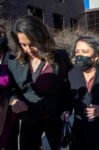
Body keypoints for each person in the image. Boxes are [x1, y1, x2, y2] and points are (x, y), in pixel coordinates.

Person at [8, 15, 71, 150]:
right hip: (29, 117)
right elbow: (9, 86)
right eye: (23, 44)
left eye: (32, 44)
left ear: (41, 37)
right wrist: (13, 100)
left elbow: (67, 86)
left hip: (55, 116)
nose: (28, 49)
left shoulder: (61, 56)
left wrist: (67, 108)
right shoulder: (13, 60)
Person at [0, 24, 19, 150]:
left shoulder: (13, 57)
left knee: (9, 142)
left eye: (2, 34)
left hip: (8, 108)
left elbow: (20, 84)